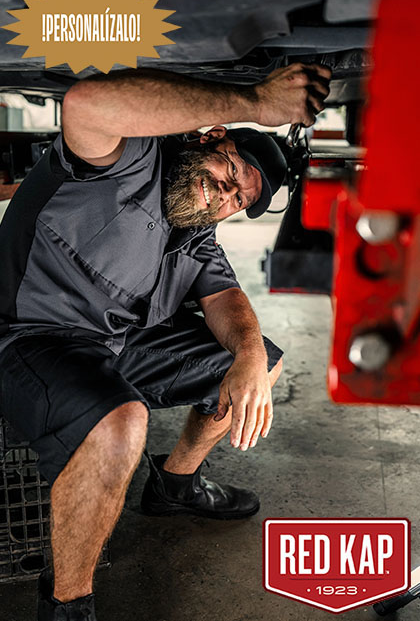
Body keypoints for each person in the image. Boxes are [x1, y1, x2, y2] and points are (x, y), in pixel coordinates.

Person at [0, 62, 331, 620]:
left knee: (261, 362)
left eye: (238, 201)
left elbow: (227, 300)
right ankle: (67, 606)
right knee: (121, 422)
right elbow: (85, 105)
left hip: (112, 346)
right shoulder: (130, 158)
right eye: (231, 169)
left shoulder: (195, 230)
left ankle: (175, 484)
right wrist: (254, 100)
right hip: (28, 337)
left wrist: (249, 355)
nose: (225, 193)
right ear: (209, 136)